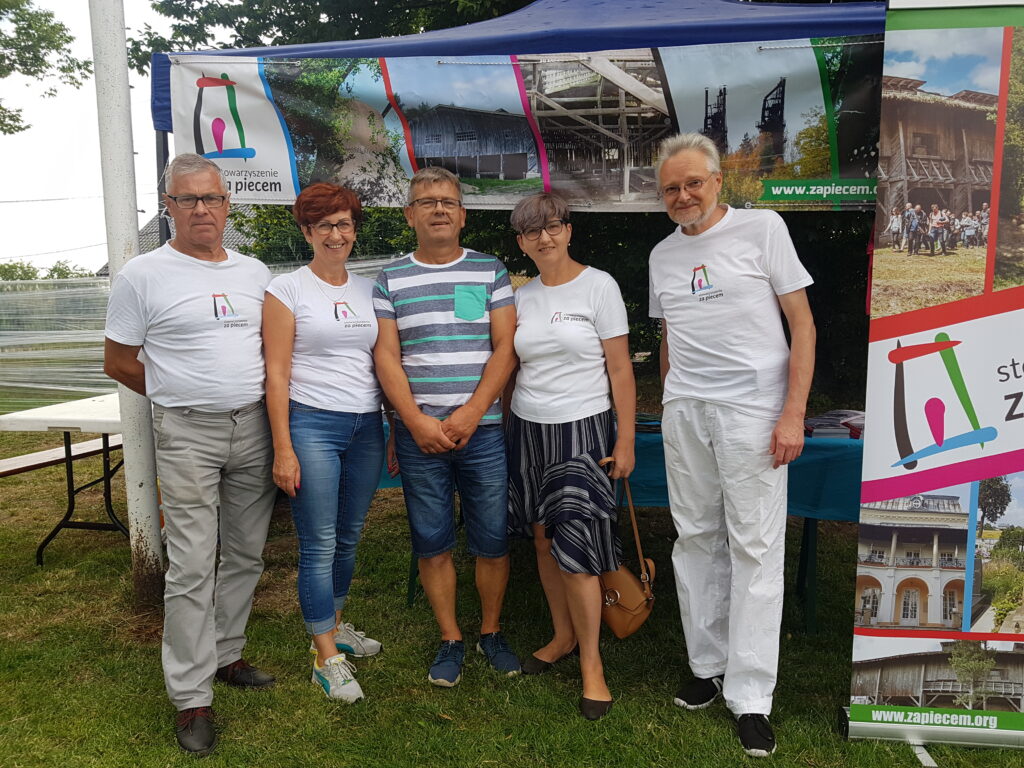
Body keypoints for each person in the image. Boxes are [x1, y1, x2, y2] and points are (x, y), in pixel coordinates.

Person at [104, 153, 277, 756]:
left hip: (254, 427)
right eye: (188, 200)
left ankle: (227, 655)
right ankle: (191, 696)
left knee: (248, 552)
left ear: (228, 204)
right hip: (186, 433)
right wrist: (179, 393)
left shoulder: (255, 272)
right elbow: (119, 360)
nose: (202, 210)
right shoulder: (142, 275)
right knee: (191, 565)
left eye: (212, 198)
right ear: (169, 206)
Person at [649, 133, 815, 758]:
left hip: (754, 412)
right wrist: (670, 400)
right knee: (695, 536)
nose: (683, 195)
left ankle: (751, 696)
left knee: (754, 545)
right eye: (671, 188)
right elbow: (669, 336)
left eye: (693, 182)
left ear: (718, 181)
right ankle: (706, 665)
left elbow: (802, 324)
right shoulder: (663, 255)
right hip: (686, 412)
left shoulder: (762, 228)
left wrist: (793, 413)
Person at [372, 166, 521, 686]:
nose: (438, 208)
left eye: (448, 201)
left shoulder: (490, 271)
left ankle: (491, 630)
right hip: (420, 437)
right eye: (426, 201)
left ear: (462, 215)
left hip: (481, 431)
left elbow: (505, 348)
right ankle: (450, 637)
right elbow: (387, 358)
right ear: (410, 215)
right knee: (431, 540)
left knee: (492, 538)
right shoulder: (389, 279)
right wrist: (413, 421)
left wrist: (472, 412)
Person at [505, 193, 636, 721]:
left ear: (568, 230)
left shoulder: (599, 285)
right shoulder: (521, 295)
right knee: (542, 539)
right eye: (532, 231)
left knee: (577, 549)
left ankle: (591, 664)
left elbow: (622, 370)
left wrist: (624, 440)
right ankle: (560, 636)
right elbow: (510, 366)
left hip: (582, 428)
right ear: (521, 242)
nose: (544, 237)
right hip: (527, 428)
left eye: (552, 226)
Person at [262, 183, 384, 703]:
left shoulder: (370, 289)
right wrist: (283, 447)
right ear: (307, 232)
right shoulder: (285, 290)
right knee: (319, 543)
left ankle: (333, 624)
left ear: (354, 231)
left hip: (366, 426)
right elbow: (277, 373)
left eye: (345, 224)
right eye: (325, 225)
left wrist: (393, 426)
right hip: (311, 423)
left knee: (352, 534)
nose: (336, 234)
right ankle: (325, 657)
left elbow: (383, 363)